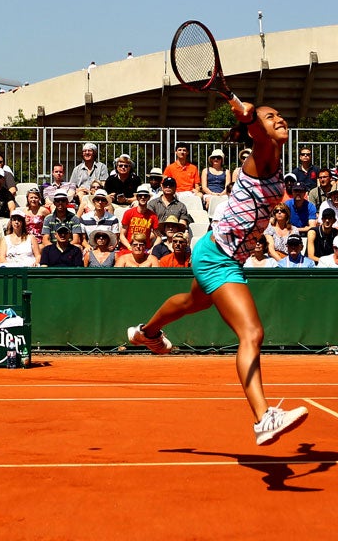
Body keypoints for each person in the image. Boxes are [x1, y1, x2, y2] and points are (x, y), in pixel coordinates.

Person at [126, 100, 308, 446]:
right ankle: (263, 417)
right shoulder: (263, 154)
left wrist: (252, 118)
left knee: (195, 300)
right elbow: (256, 129)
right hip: (219, 258)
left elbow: (256, 128)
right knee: (252, 333)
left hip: (217, 251)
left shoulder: (271, 154)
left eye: (280, 114)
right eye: (272, 116)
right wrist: (249, 115)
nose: (280, 118)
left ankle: (146, 332)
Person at [120, 184, 159, 252]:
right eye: (140, 195)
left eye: (145, 196)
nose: (143, 197)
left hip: (144, 249)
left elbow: (159, 237)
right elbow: (122, 235)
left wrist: (152, 249)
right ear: (137, 198)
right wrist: (129, 247)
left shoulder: (153, 216)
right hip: (129, 248)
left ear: (148, 198)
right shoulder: (128, 213)